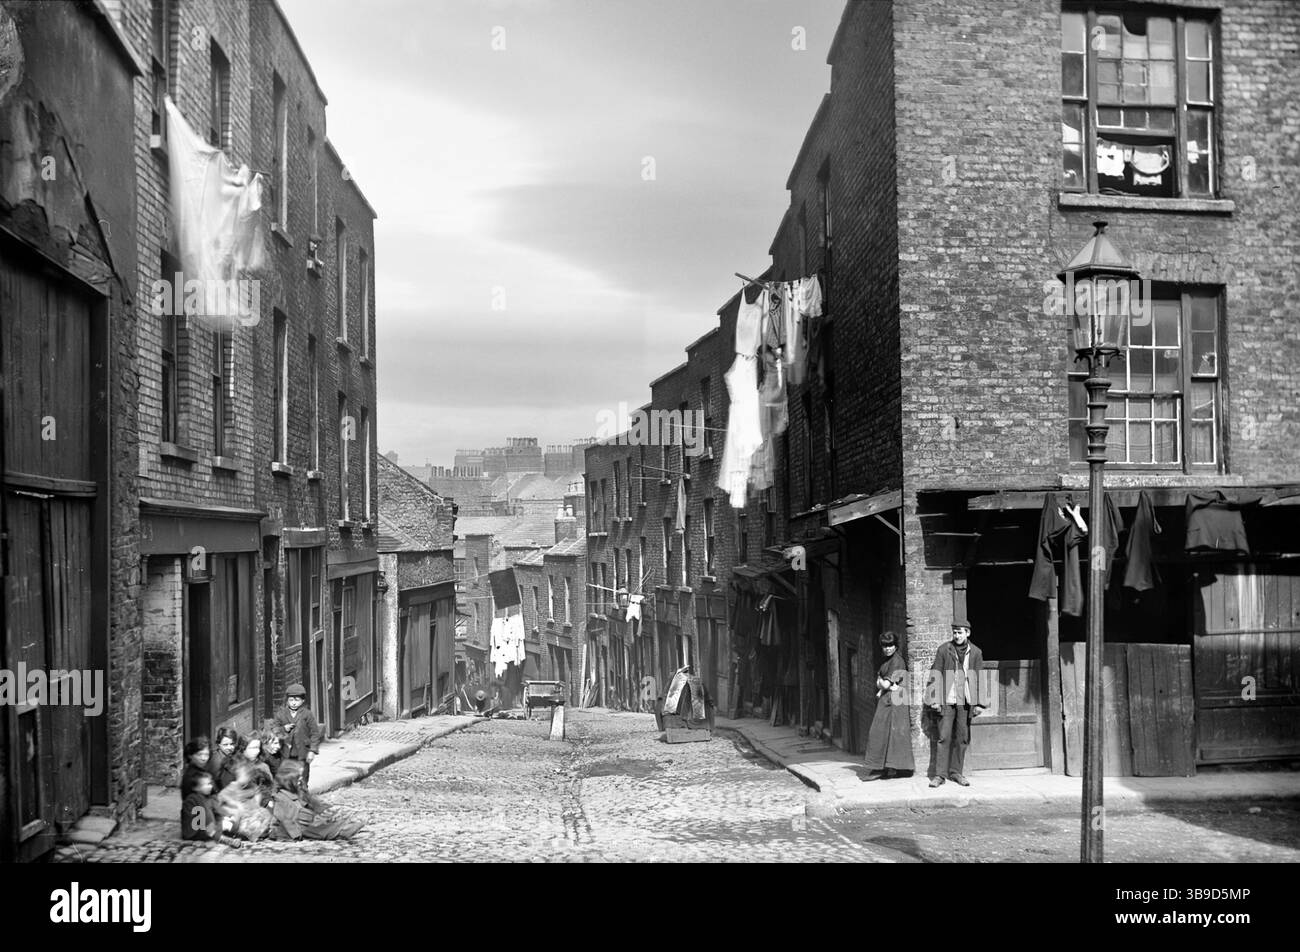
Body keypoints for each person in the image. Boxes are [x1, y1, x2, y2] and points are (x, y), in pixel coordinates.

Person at [925, 616, 987, 788]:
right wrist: (935, 700)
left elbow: (980, 677)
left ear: (967, 633)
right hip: (947, 700)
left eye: (960, 632)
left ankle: (956, 772)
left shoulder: (975, 652)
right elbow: (935, 674)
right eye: (954, 632)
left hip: (965, 702)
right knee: (944, 737)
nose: (957, 635)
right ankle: (939, 775)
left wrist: (980, 703)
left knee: (962, 737)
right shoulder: (944, 650)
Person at [862, 632, 915, 780]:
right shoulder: (887, 660)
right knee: (882, 732)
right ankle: (883, 767)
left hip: (896, 701)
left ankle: (898, 768)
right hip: (888, 699)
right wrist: (882, 684)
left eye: (890, 645)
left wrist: (881, 683)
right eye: (885, 645)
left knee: (893, 733)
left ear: (896, 646)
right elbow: (881, 683)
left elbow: (883, 683)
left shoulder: (897, 661)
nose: (887, 648)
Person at [268, 761, 364, 841]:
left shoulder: (300, 791)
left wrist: (329, 810)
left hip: (308, 821)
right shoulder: (280, 797)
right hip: (299, 827)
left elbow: (314, 802)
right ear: (289, 780)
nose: (301, 779)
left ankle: (340, 828)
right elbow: (286, 820)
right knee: (320, 829)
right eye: (298, 777)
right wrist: (296, 836)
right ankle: (340, 831)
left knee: (328, 821)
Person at [273, 684, 324, 790]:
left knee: (302, 779)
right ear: (287, 700)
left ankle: (304, 801)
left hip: (302, 753)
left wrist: (312, 751)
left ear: (302, 701)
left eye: (297, 700)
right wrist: (283, 729)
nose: (294, 703)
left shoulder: (307, 714)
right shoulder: (281, 714)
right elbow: (273, 730)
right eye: (291, 700)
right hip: (285, 753)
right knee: (285, 778)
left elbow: (315, 733)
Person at [180, 769, 231, 842]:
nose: (210, 786)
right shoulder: (194, 800)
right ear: (196, 788)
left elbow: (219, 810)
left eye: (210, 783)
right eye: (206, 785)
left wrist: (227, 816)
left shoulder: (208, 797)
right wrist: (218, 832)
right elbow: (206, 819)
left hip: (206, 828)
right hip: (196, 832)